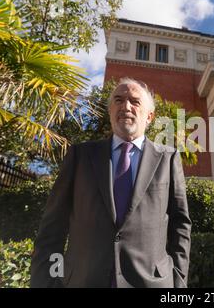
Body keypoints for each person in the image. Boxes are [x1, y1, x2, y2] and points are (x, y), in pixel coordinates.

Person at [30, 78, 192, 288]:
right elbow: (53, 227)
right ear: (110, 111)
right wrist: (46, 283)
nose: (126, 106)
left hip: (152, 282)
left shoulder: (167, 158)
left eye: (135, 101)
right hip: (83, 281)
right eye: (119, 100)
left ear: (150, 117)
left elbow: (180, 225)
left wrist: (179, 282)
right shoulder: (81, 155)